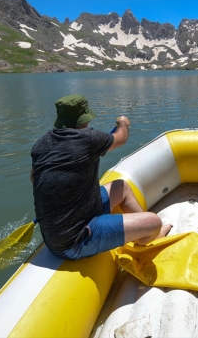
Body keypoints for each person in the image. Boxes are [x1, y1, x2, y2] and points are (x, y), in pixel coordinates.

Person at [31, 94, 171, 260]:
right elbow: (122, 137)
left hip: (54, 234)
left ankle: (139, 228)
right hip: (75, 241)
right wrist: (123, 122)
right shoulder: (90, 139)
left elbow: (34, 178)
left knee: (121, 186)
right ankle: (152, 232)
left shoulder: (41, 143)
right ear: (84, 120)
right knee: (154, 222)